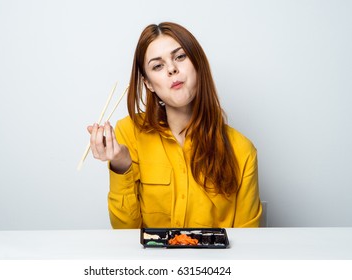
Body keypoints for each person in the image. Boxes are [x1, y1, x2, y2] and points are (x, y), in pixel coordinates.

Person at [87, 22, 262, 229]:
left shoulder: (242, 151)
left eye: (180, 57)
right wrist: (121, 164)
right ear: (149, 83)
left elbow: (248, 244)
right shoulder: (128, 132)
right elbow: (125, 233)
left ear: (198, 63)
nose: (172, 69)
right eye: (157, 66)